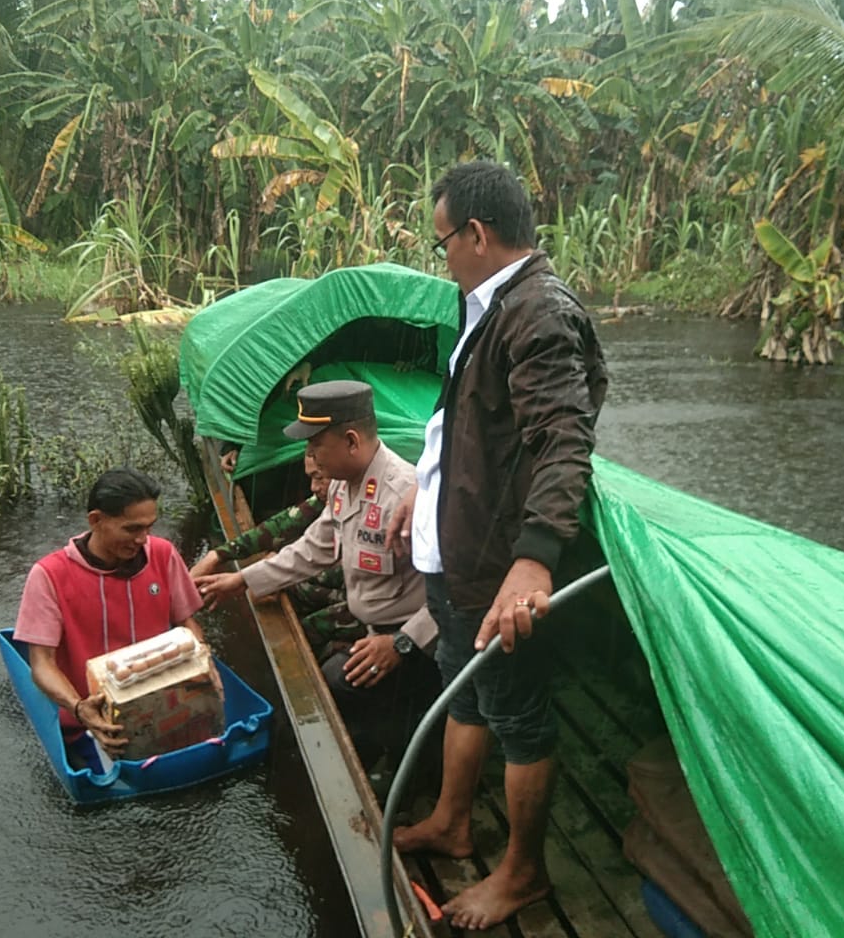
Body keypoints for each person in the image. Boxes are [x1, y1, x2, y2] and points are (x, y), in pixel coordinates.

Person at [387, 161, 608, 929]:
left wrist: (534, 555)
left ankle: (522, 872)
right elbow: (471, 429)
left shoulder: (537, 313)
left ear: (476, 234)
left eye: (443, 238)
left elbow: (563, 440)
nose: (441, 253)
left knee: (517, 715)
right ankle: (453, 821)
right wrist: (426, 484)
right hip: (456, 556)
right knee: (465, 687)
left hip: (494, 564)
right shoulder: (490, 305)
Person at [198, 380, 439, 770]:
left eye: (315, 446)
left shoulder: (407, 495)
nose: (309, 456)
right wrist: (240, 580)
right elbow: (315, 547)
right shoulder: (345, 485)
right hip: (371, 629)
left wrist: (402, 643)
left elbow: (457, 592)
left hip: (415, 644)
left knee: (339, 686)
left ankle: (406, 768)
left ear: (350, 440)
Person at [13, 468, 207, 771]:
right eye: (131, 529)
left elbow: (188, 625)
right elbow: (41, 662)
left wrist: (203, 669)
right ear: (96, 520)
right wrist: (79, 709)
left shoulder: (163, 554)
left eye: (149, 528)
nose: (143, 539)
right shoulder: (50, 575)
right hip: (92, 718)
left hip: (165, 705)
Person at [189, 454, 360, 652]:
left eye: (320, 478)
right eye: (312, 478)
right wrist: (218, 555)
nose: (313, 487)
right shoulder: (330, 495)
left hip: (367, 603)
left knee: (301, 630)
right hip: (350, 591)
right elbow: (283, 524)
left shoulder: (361, 500)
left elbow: (319, 562)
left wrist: (266, 575)